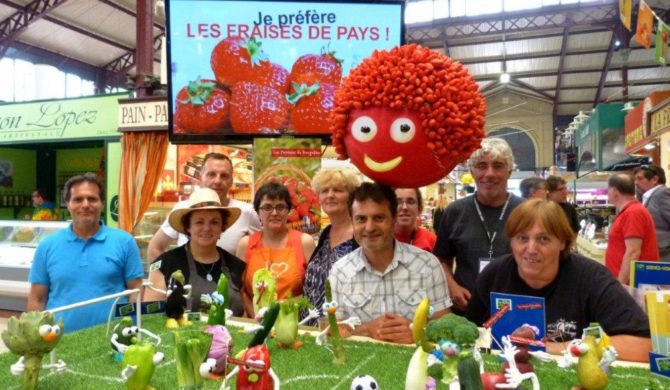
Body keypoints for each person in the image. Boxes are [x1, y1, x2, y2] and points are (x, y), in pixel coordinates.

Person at [466, 199, 651, 362]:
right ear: (511, 241)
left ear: (562, 242)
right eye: (522, 238)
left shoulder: (592, 278)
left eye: (543, 239)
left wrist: (554, 348)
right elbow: (470, 336)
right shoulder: (493, 275)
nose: (531, 249)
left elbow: (644, 345)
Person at [329, 183, 451, 344]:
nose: (369, 227)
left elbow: (446, 326)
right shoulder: (341, 271)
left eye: (379, 218)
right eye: (361, 219)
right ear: (352, 221)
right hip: (359, 365)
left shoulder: (427, 265)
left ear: (394, 220)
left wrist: (419, 332)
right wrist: (367, 330)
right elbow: (331, 330)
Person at [27, 173, 144, 332]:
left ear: (102, 204)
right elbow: (38, 299)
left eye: (92, 199)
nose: (86, 204)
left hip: (113, 341)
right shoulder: (47, 245)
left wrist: (131, 331)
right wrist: (35, 338)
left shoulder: (124, 241)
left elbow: (135, 291)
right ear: (67, 204)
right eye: (78, 199)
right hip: (59, 342)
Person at [433, 137, 523, 313]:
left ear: (510, 171)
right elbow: (441, 259)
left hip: (514, 307)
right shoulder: (455, 211)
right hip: (466, 307)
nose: (489, 174)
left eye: (498, 166)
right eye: (481, 166)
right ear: (472, 171)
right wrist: (452, 287)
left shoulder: (525, 211)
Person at [144, 187, 246, 316]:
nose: (207, 228)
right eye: (199, 222)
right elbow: (150, 317)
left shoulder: (237, 267)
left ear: (222, 227)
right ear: (188, 226)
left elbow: (247, 318)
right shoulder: (164, 265)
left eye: (214, 222)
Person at [148, 152, 261, 259]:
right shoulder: (182, 209)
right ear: (200, 178)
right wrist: (163, 277)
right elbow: (155, 247)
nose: (217, 181)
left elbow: (264, 248)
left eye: (224, 176)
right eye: (211, 174)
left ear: (231, 181)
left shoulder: (246, 212)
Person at [237, 182, 316, 317]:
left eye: (280, 207)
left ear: (289, 210)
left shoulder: (305, 242)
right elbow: (240, 290)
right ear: (257, 212)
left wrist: (283, 313)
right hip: (255, 324)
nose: (274, 213)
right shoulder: (245, 244)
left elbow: (313, 290)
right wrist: (256, 317)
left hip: (294, 322)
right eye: (267, 207)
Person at [303, 169, 359, 322]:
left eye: (338, 190)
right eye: (324, 190)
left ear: (351, 196)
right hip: (310, 326)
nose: (330, 195)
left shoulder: (360, 235)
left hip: (342, 329)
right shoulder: (325, 234)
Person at [605, 172, 659, 284]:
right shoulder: (629, 211)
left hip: (632, 285)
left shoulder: (633, 212)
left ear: (614, 191)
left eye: (608, 189)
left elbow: (633, 252)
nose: (607, 193)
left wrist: (620, 285)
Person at [634, 164, 670, 261]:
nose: (636, 183)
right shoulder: (645, 197)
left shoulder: (663, 193)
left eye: (640, 179)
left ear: (654, 179)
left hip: (664, 255)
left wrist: (664, 245)